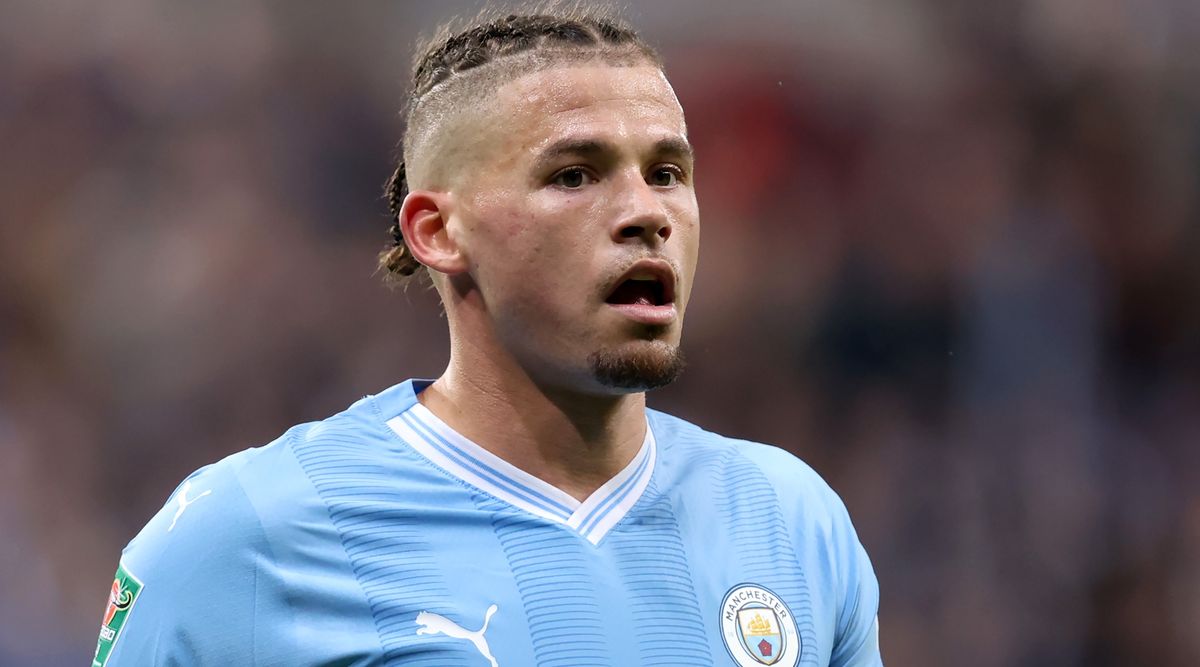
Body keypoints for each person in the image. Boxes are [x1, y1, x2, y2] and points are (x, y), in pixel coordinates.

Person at [94, 6, 882, 667]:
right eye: (575, 174)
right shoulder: (249, 533)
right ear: (438, 231)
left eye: (667, 172)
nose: (648, 211)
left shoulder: (793, 520)